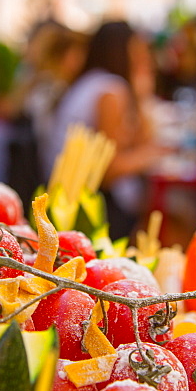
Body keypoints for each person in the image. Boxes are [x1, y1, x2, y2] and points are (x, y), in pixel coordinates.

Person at [46, 21, 165, 238]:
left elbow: (135, 141)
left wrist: (142, 96)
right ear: (122, 51)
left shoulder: (92, 82)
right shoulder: (111, 91)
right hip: (90, 206)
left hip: (66, 194)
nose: (145, 58)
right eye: (138, 51)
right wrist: (155, 155)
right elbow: (110, 171)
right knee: (171, 220)